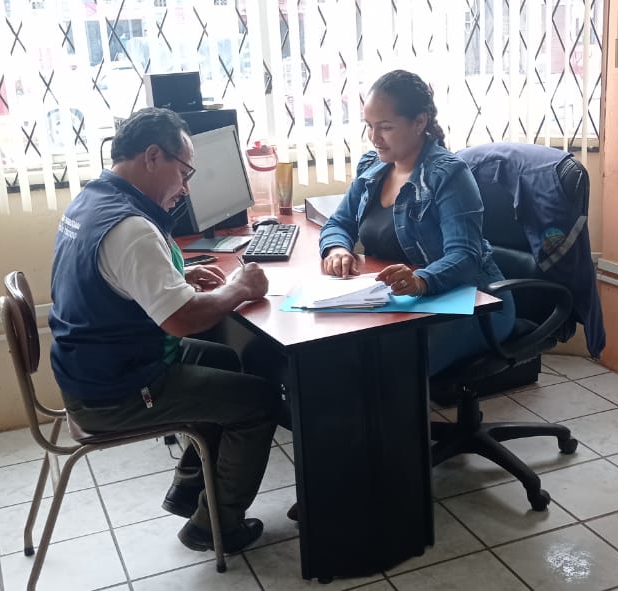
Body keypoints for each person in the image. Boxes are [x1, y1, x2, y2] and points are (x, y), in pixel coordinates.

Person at [49, 108, 278, 553]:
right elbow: (182, 319)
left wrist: (176, 279)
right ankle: (215, 527)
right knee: (260, 402)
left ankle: (190, 488)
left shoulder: (92, 200)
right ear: (153, 157)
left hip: (92, 367)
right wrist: (239, 287)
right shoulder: (131, 228)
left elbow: (113, 280)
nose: (186, 187)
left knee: (224, 360)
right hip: (116, 390)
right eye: (184, 171)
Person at [319, 69, 516, 375]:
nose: (374, 138)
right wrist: (336, 250)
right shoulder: (372, 167)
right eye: (369, 126)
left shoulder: (448, 174)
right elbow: (339, 223)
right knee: (333, 351)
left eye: (385, 127)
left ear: (419, 122)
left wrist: (420, 280)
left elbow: (465, 255)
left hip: (472, 302)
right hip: (399, 302)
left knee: (391, 368)